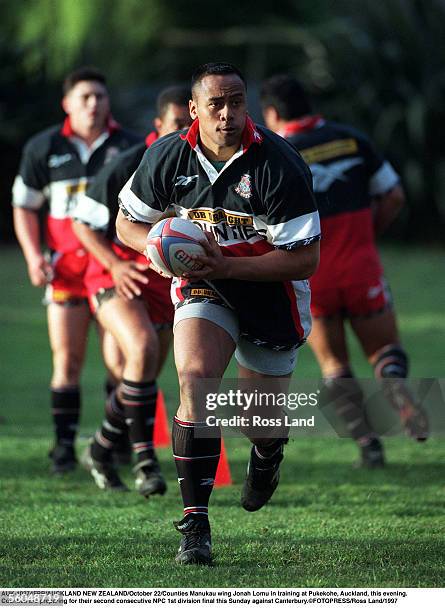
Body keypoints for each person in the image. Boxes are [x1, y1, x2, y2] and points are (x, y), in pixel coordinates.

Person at [116, 62, 320, 565]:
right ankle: (195, 525)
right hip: (204, 287)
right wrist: (158, 248)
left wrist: (225, 264)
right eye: (216, 103)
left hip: (270, 294)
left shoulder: (278, 162)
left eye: (237, 102)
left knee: (260, 422)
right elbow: (127, 224)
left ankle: (268, 455)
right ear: (194, 109)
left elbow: (304, 258)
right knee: (196, 381)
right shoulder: (167, 155)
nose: (228, 113)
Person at [260, 74, 429, 467]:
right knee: (385, 350)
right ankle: (394, 385)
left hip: (312, 272)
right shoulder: (351, 139)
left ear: (271, 112)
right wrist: (369, 232)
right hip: (360, 265)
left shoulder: (277, 155)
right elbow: (394, 194)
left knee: (334, 365)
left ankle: (369, 446)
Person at [12, 67, 142, 474]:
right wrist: (35, 256)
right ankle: (64, 449)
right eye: (84, 97)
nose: (93, 103)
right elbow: (24, 206)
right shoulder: (44, 146)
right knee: (66, 360)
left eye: (100, 96)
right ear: (67, 103)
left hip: (110, 269)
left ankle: (114, 443)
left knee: (120, 362)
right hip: (65, 272)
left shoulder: (129, 146)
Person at [71, 86, 192, 496]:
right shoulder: (129, 164)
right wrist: (116, 264)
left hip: (162, 281)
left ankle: (102, 448)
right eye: (177, 124)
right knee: (140, 349)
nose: (185, 131)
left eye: (190, 124)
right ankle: (145, 463)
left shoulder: (202, 166)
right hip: (114, 275)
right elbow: (82, 225)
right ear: (158, 126)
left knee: (142, 374)